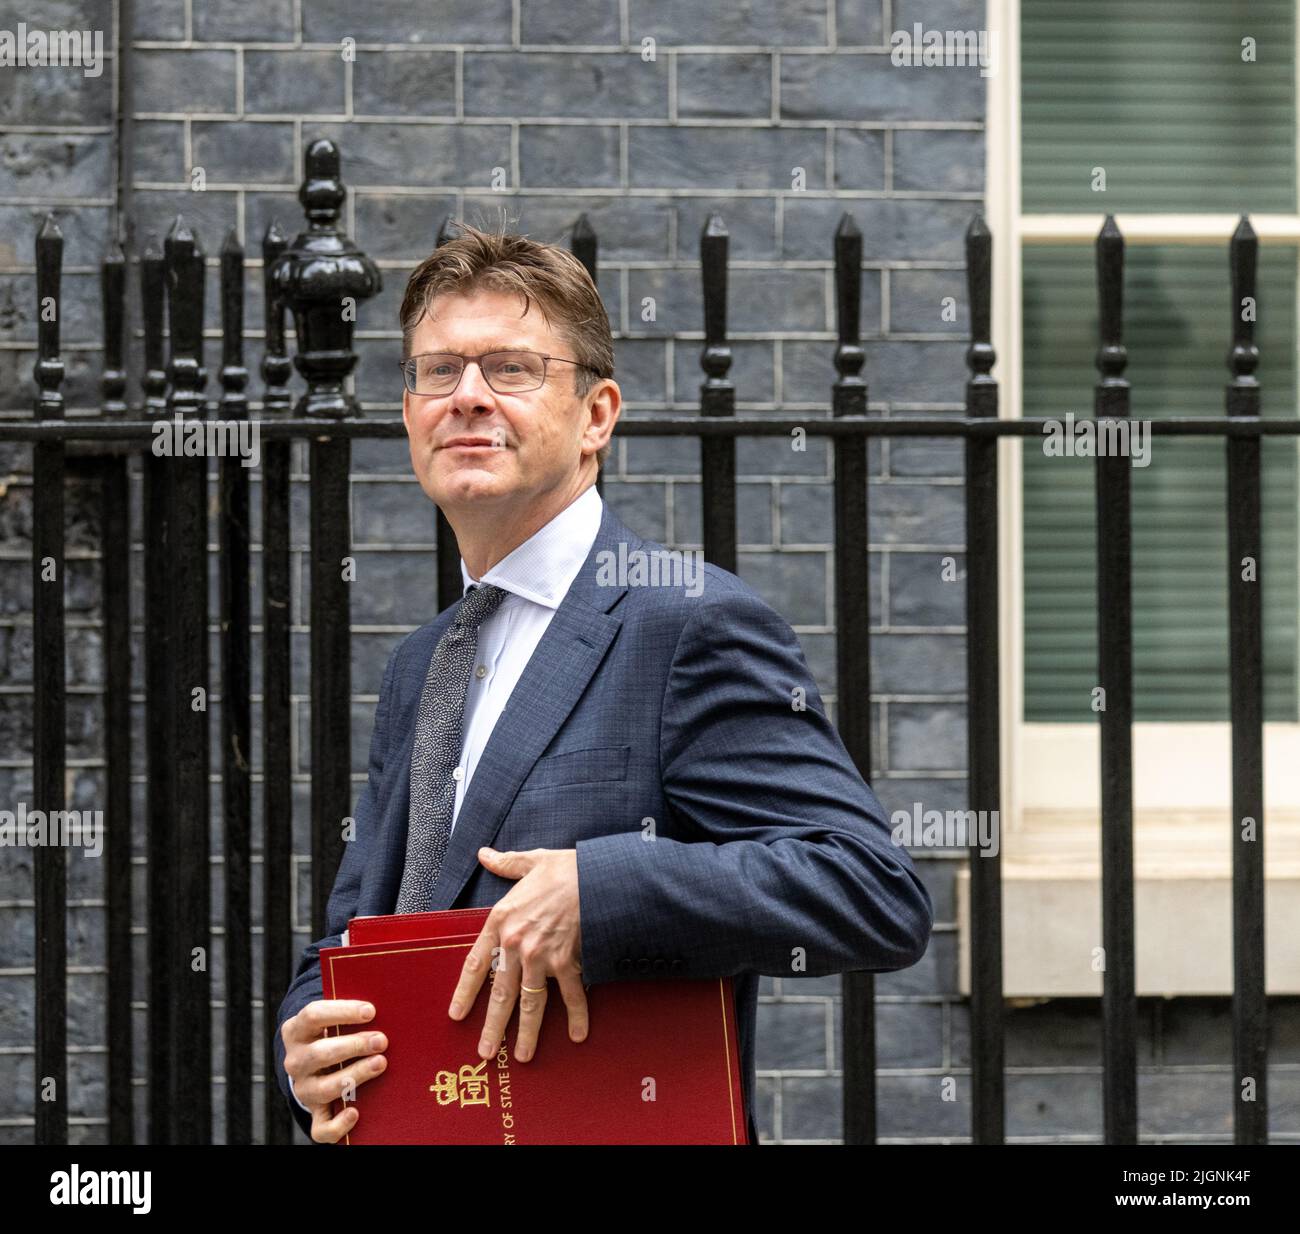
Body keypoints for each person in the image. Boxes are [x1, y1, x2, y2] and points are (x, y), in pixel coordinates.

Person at [273, 222, 933, 1145]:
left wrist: (602, 890)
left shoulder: (687, 623)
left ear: (597, 416)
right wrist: (303, 1049)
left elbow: (871, 892)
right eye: (436, 372)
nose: (465, 397)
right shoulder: (424, 664)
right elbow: (359, 935)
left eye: (509, 368)